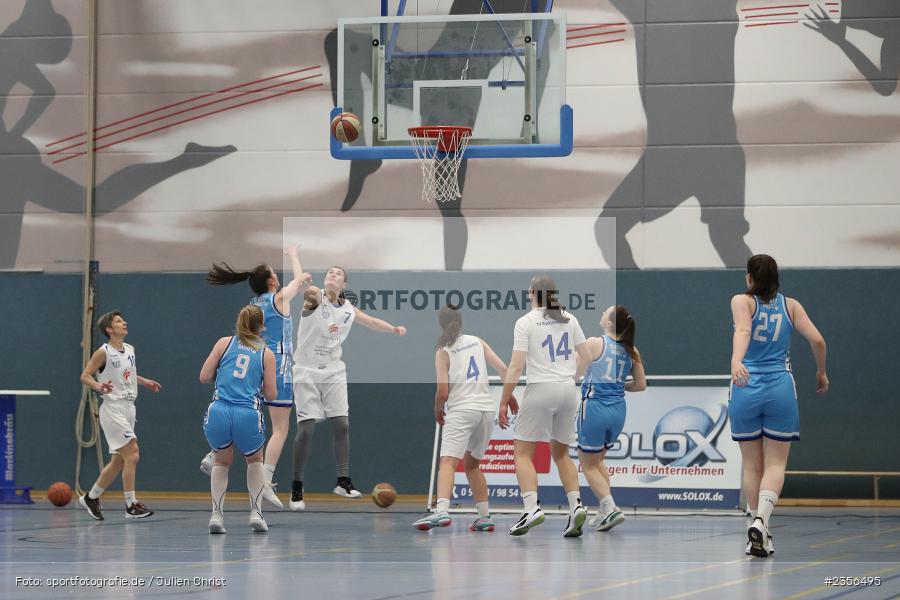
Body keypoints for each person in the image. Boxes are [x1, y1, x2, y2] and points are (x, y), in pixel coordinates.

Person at [730, 254, 828, 557]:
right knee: (775, 464)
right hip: (780, 388)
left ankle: (756, 528)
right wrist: (821, 372)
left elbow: (744, 331)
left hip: (746, 385)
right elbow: (818, 340)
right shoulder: (791, 305)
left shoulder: (741, 301)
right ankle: (762, 521)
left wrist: (736, 360)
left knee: (751, 463)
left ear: (749, 278)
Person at [200, 246, 311, 509]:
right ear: (272, 281)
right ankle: (265, 480)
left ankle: (211, 453)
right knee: (281, 428)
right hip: (277, 365)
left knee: (242, 415)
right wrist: (294, 255)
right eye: (275, 274)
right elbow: (301, 279)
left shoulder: (252, 305)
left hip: (253, 364)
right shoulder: (279, 299)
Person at [289, 264, 406, 510]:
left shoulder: (349, 309)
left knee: (342, 423)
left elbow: (371, 321)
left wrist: (393, 329)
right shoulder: (315, 297)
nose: (332, 274)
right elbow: (304, 288)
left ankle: (343, 481)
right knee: (307, 431)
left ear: (345, 284)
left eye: (338, 273)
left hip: (333, 370)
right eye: (330, 272)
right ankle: (297, 486)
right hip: (306, 370)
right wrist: (297, 265)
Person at [498, 275, 592, 537]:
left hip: (540, 388)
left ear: (531, 293)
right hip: (566, 390)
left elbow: (516, 366)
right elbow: (586, 356)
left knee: (522, 453)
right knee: (562, 454)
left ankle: (531, 508)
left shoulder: (525, 322)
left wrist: (505, 398)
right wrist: (571, 377)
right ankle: (575, 506)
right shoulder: (569, 318)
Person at [412, 305, 517, 532]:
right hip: (485, 412)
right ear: (461, 321)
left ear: (441, 324)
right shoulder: (477, 341)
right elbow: (503, 368)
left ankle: (441, 511)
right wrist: (508, 397)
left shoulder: (443, 351)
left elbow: (443, 392)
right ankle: (484, 516)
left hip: (462, 410)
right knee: (473, 466)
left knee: (448, 461)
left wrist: (437, 409)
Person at [199, 305, 277, 534]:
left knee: (222, 461)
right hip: (247, 413)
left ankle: (216, 515)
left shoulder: (224, 343)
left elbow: (204, 376)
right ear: (262, 326)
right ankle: (256, 513)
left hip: (219, 409)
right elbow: (271, 394)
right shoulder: (266, 353)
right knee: (254, 460)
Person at [78, 311, 162, 521]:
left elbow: (129, 374)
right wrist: (98, 385)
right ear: (109, 329)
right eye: (118, 321)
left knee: (118, 460)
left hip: (129, 408)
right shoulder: (103, 352)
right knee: (132, 453)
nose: (124, 323)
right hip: (113, 408)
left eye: (123, 320)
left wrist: (144, 382)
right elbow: (85, 375)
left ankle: (92, 496)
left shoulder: (130, 349)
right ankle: (131, 504)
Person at [576, 305, 646, 533]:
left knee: (587, 465)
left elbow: (575, 373)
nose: (601, 314)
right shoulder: (632, 350)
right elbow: (640, 385)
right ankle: (604, 510)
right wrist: (616, 384)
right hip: (617, 411)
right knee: (597, 462)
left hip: (594, 408)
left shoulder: (595, 343)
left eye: (605, 312)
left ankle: (610, 506)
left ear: (609, 323)